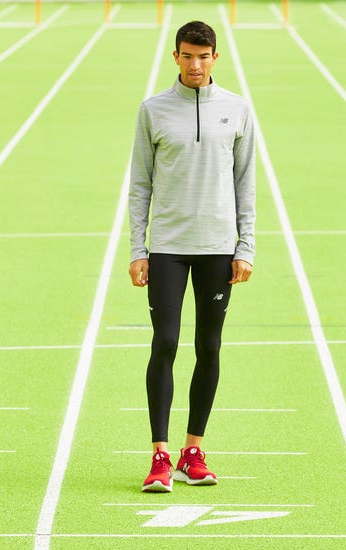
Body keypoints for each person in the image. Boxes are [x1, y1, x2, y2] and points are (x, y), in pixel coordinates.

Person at [128, 20, 255, 493]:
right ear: (176, 57)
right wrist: (137, 249)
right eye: (187, 56)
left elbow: (247, 183)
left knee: (209, 347)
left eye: (203, 57)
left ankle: (192, 451)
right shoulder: (153, 111)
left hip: (218, 248)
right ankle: (159, 456)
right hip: (167, 248)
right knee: (164, 343)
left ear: (215, 58)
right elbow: (140, 184)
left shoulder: (238, 110)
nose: (195, 64)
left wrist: (246, 246)